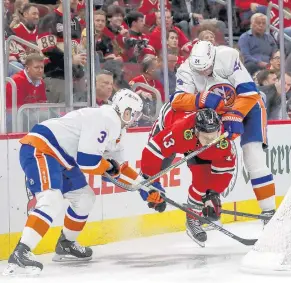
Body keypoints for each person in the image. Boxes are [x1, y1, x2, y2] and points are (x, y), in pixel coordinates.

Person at [3, 89, 144, 276]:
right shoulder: (107, 118)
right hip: (43, 148)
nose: (133, 118)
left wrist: (145, 185)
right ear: (121, 109)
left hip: (62, 158)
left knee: (85, 198)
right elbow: (89, 162)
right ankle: (21, 252)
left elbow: (121, 166)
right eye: (131, 113)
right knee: (51, 199)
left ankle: (66, 244)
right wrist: (109, 167)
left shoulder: (117, 128)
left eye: (136, 114)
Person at [169, 40, 276, 223]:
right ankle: (210, 202)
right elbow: (177, 101)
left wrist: (235, 114)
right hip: (217, 116)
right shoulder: (185, 69)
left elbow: (249, 92)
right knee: (211, 161)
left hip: (249, 108)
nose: (204, 73)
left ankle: (269, 213)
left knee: (253, 157)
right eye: (200, 70)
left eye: (207, 69)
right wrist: (200, 98)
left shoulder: (228, 56)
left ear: (213, 58)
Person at [140, 108, 236, 246]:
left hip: (195, 144)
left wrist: (212, 194)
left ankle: (192, 218)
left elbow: (224, 171)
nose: (210, 142)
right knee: (158, 169)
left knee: (203, 181)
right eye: (206, 137)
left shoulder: (223, 142)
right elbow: (152, 152)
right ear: (196, 131)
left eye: (213, 137)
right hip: (168, 124)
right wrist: (150, 185)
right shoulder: (180, 130)